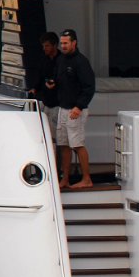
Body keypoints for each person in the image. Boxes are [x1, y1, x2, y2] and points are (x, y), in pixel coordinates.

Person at [53, 29, 96, 189]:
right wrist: (53, 83)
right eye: (61, 43)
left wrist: (79, 106)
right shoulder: (60, 60)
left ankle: (87, 179)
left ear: (74, 43)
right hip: (63, 108)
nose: (63, 46)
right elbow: (59, 79)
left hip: (76, 109)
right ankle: (65, 178)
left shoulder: (81, 62)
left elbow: (89, 87)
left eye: (66, 43)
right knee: (63, 144)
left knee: (77, 144)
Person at [26, 32, 61, 142]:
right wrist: (35, 88)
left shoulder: (62, 60)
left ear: (55, 45)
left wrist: (55, 83)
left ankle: (55, 153)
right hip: (46, 101)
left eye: (47, 46)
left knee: (56, 136)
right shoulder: (43, 59)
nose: (44, 48)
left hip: (58, 103)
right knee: (44, 133)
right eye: (43, 46)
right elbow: (40, 77)